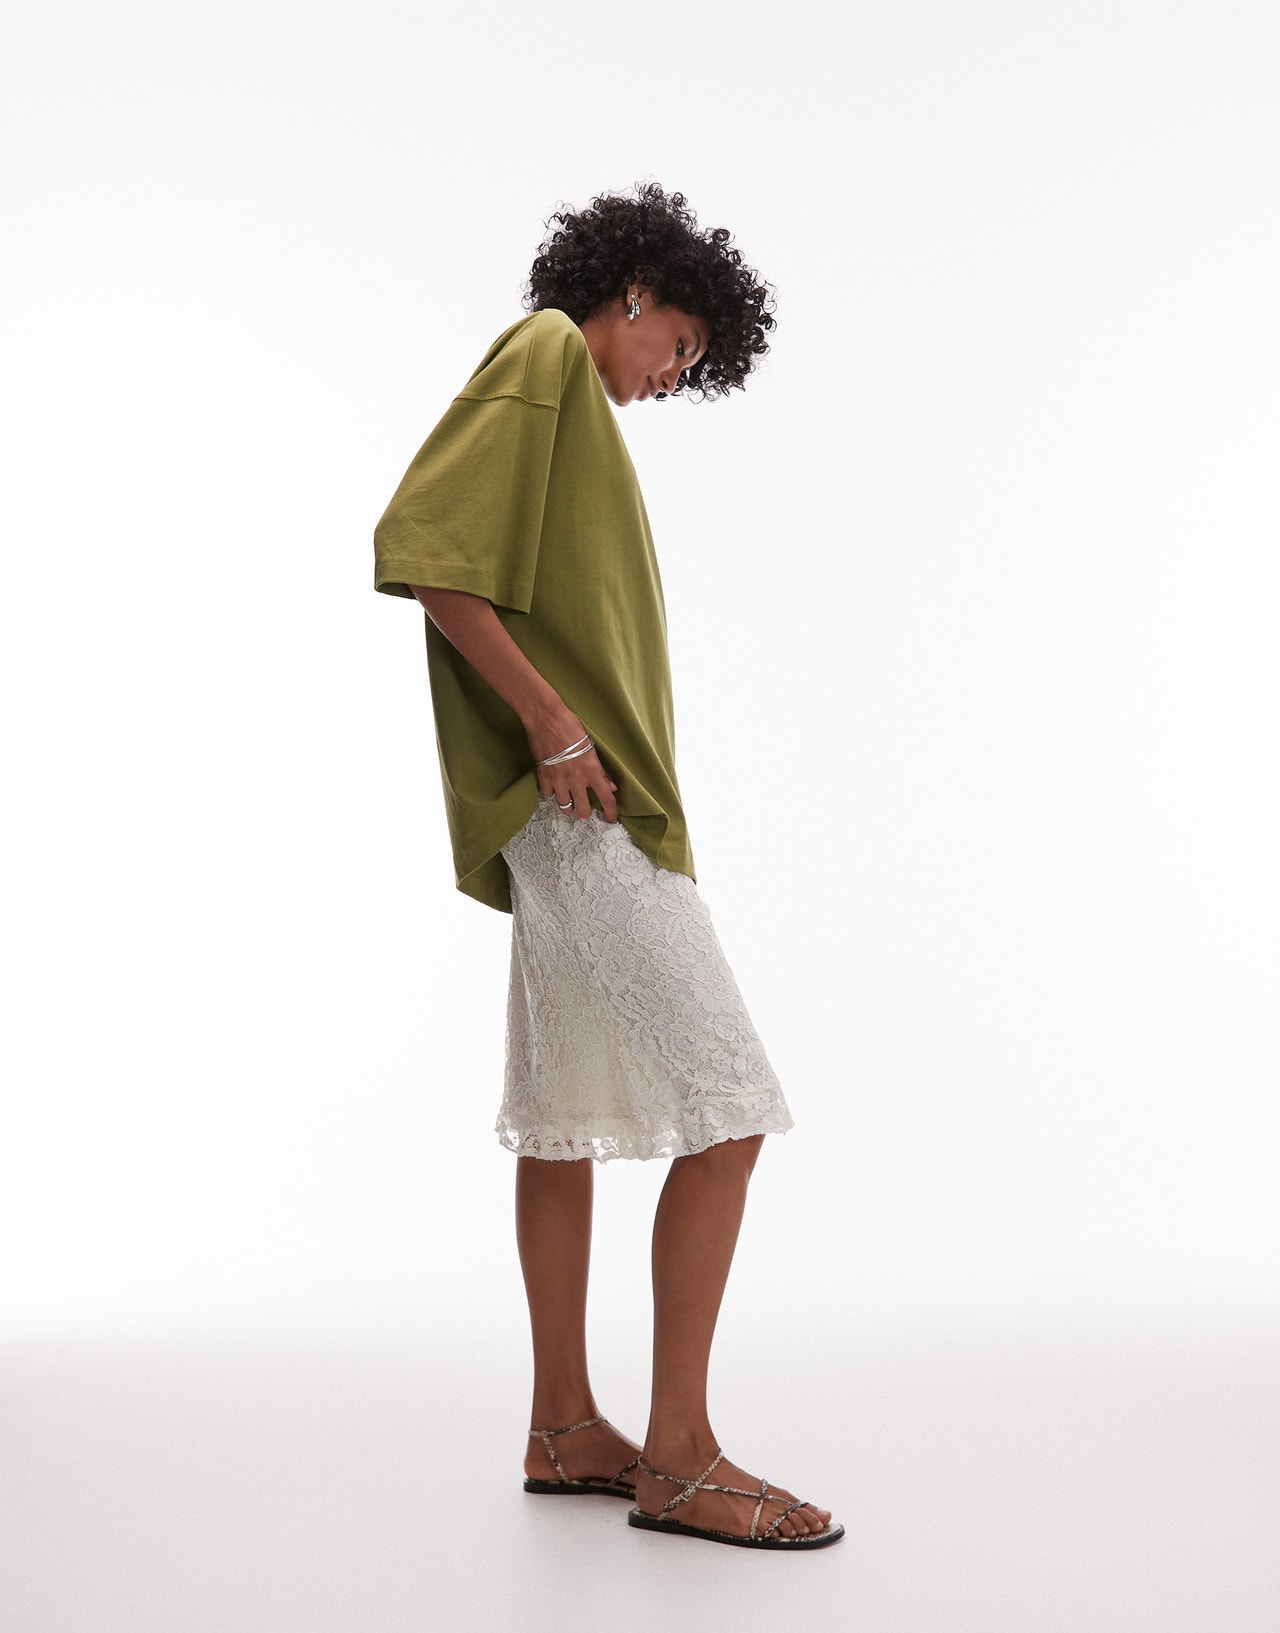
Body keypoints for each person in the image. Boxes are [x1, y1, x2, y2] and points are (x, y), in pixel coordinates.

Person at [373, 182, 843, 1551]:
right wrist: (554, 723)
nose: (673, 376)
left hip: (575, 806)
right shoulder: (545, 355)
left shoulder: (573, 404)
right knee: (730, 1111)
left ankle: (566, 1424)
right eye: (679, 345)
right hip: (583, 806)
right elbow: (425, 550)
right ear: (633, 291)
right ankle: (680, 1458)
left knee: (563, 1117)